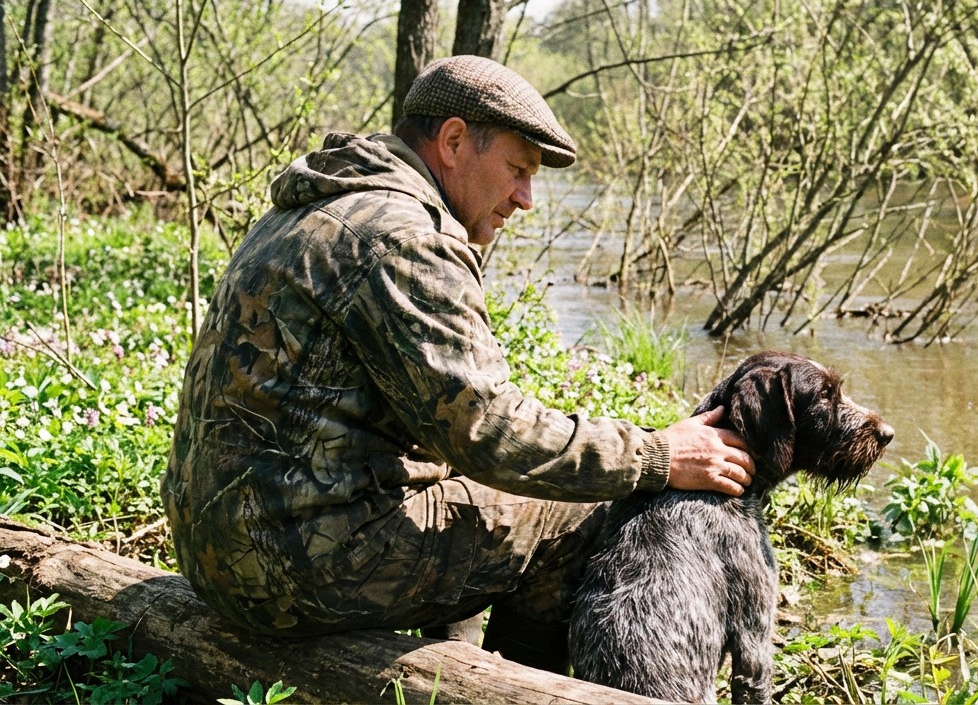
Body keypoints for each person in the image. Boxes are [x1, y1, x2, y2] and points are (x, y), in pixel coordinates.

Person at [161, 55, 755, 672]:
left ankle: (450, 664)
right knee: (574, 517)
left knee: (463, 492)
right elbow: (490, 433)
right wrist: (660, 455)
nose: (525, 199)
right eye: (518, 170)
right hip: (287, 570)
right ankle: (511, 689)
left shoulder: (319, 203)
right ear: (451, 141)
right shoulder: (406, 238)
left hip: (214, 547)